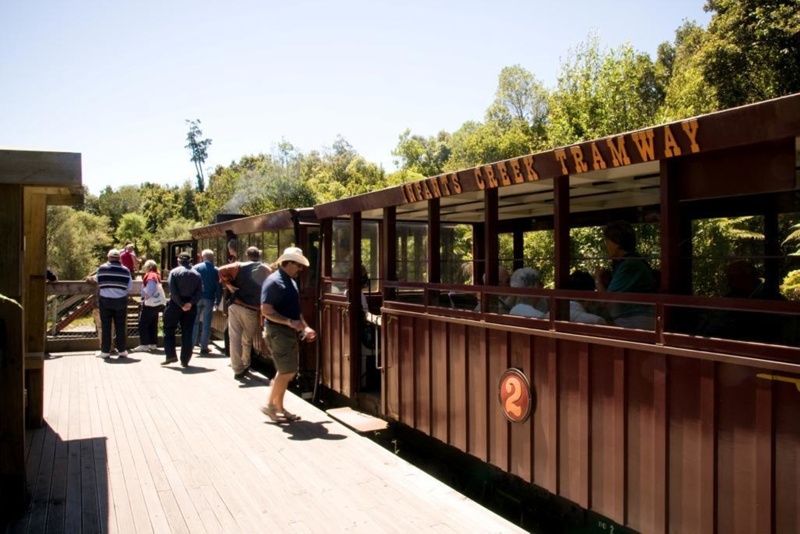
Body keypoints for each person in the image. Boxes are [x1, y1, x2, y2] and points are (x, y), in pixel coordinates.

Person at [260, 247, 316, 422]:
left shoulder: (289, 281)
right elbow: (266, 310)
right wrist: (289, 323)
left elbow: (295, 312)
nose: (300, 269)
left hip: (286, 332)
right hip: (278, 332)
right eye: (298, 265)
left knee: (285, 372)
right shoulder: (275, 282)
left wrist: (304, 327)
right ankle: (269, 406)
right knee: (287, 371)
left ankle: (279, 407)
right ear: (289, 263)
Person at [218, 246, 271, 379]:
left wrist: (228, 285)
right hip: (251, 309)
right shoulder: (266, 269)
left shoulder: (238, 266)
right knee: (246, 339)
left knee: (234, 338)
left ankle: (237, 369)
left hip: (235, 306)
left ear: (247, 255)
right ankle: (246, 363)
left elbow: (220, 270)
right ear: (259, 255)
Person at [601, 220, 657, 329]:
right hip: (631, 319)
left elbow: (606, 300)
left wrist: (597, 279)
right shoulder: (626, 263)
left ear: (617, 243)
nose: (606, 245)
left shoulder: (630, 264)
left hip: (636, 320)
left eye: (607, 241)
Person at [161, 252, 203, 367]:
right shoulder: (197, 274)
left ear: (178, 261)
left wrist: (180, 304)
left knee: (169, 328)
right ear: (190, 261)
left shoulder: (174, 272)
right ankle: (185, 360)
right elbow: (200, 292)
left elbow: (173, 292)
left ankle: (170, 355)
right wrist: (190, 303)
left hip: (175, 304)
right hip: (191, 306)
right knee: (187, 331)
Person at [94, 249, 133, 358]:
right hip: (120, 300)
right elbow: (129, 287)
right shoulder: (126, 270)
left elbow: (97, 281)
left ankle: (105, 351)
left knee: (106, 326)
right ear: (119, 258)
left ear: (109, 257)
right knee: (120, 326)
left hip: (105, 300)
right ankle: (122, 350)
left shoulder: (102, 268)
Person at [192, 249, 222, 354]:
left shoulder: (195, 268)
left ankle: (190, 345)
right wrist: (218, 301)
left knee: (194, 321)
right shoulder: (215, 270)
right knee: (207, 322)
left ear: (202, 257)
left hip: (196, 298)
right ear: (212, 258)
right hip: (209, 298)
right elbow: (218, 287)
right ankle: (204, 347)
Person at [132, 260, 164, 352]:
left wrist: (146, 297)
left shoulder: (150, 275)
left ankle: (144, 344)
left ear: (148, 267)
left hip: (150, 303)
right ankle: (153, 343)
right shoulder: (156, 275)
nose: (144, 269)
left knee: (143, 323)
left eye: (145, 267)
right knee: (153, 323)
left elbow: (151, 287)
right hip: (157, 303)